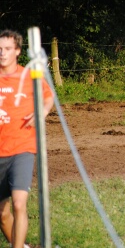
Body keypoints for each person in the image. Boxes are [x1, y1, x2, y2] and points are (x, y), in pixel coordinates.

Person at [0, 30, 54, 248]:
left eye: (7, 49)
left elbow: (48, 98)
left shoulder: (29, 77)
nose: (2, 53)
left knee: (19, 204)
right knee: (2, 213)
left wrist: (42, 111)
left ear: (18, 51)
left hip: (23, 148)